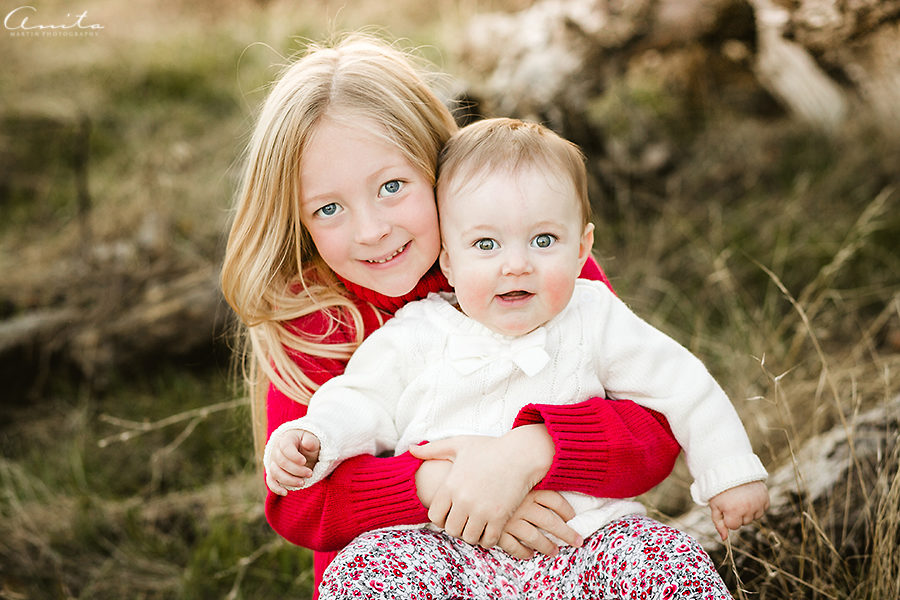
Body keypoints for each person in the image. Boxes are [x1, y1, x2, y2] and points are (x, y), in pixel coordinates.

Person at [221, 34, 684, 599]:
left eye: (392, 186)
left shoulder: (531, 263)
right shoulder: (314, 318)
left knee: (663, 564)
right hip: (413, 565)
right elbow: (300, 505)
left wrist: (532, 453)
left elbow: (659, 427)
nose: (371, 230)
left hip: (571, 547)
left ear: (439, 169)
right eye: (329, 208)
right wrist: (445, 486)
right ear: (298, 220)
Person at [264, 117, 769, 597]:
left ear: (581, 248)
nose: (516, 264)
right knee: (372, 569)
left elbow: (680, 385)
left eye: (543, 241)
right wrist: (314, 439)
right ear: (451, 259)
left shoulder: (588, 311)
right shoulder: (414, 332)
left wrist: (729, 472)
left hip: (579, 541)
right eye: (486, 244)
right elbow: (360, 401)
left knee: (664, 561)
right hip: (439, 549)